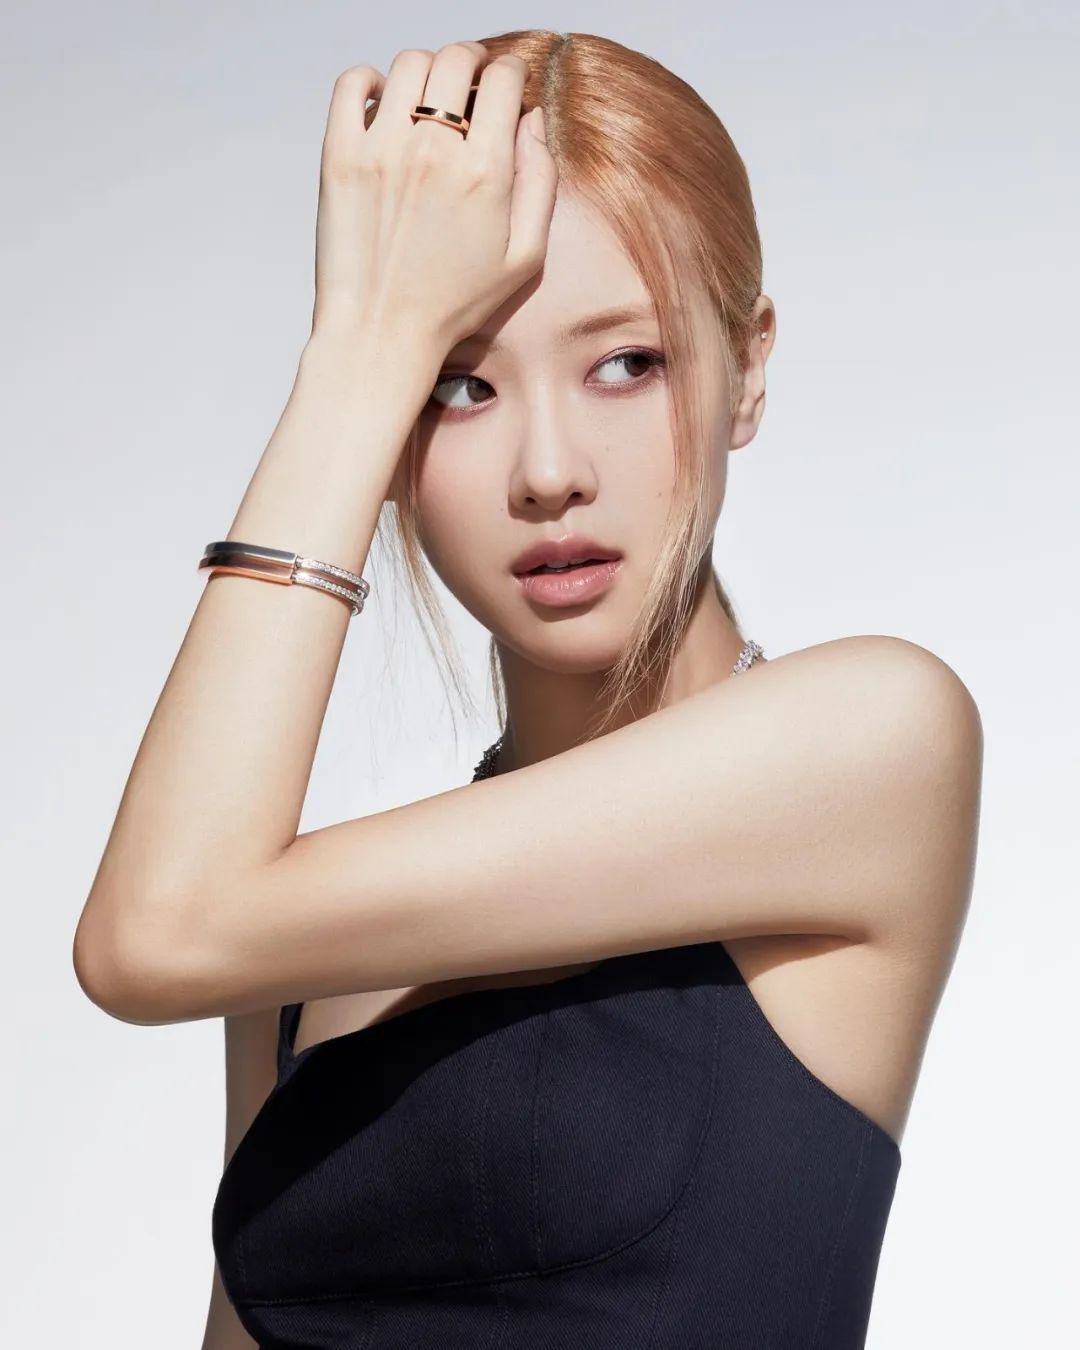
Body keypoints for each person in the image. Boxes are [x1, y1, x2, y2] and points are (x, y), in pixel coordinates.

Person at [72, 30, 983, 1350]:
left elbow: (150, 936)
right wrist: (363, 356)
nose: (549, 470)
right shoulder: (287, 961)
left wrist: (367, 342)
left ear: (749, 366)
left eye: (626, 363)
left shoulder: (875, 743)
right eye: (460, 384)